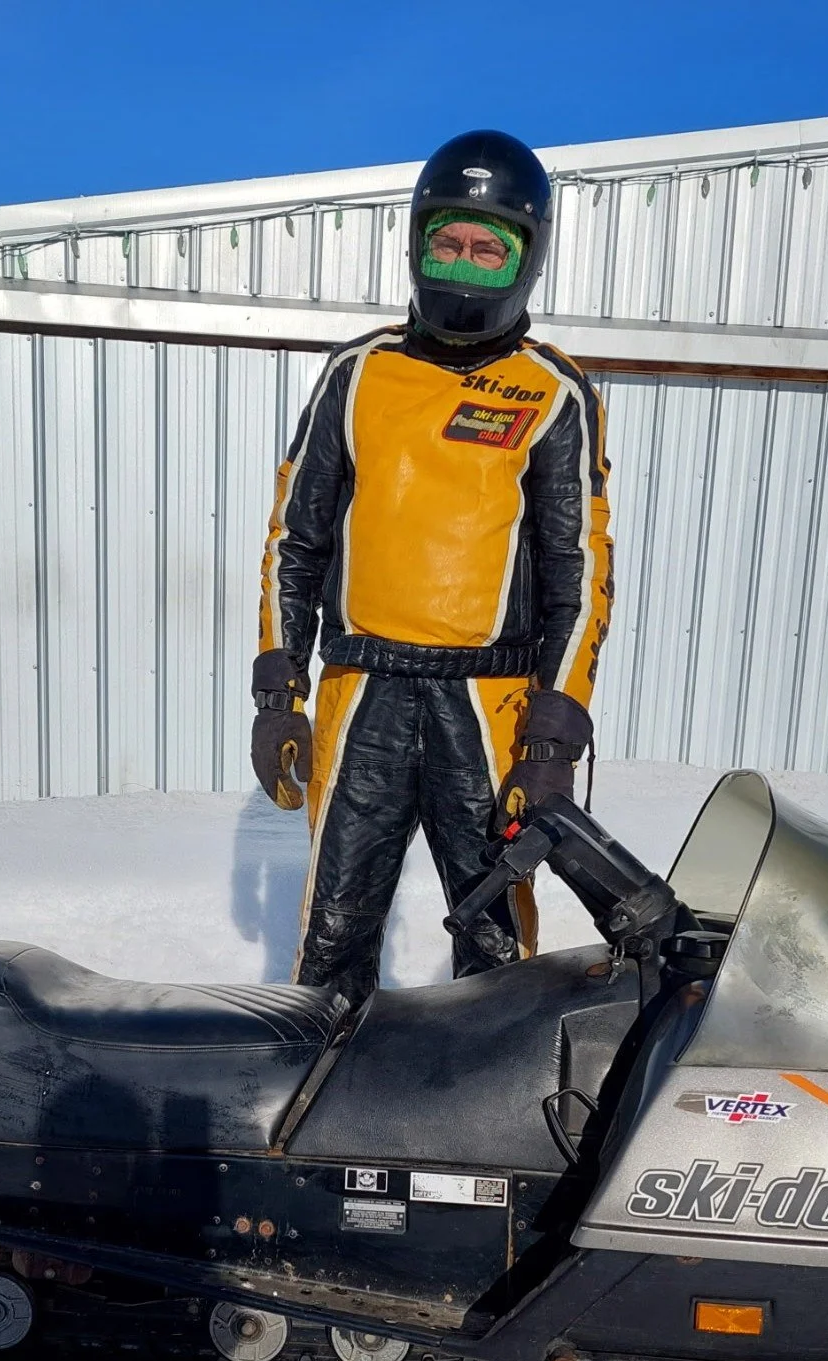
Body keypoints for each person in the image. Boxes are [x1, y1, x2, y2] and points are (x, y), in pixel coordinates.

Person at [250, 128, 614, 1005]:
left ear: (527, 258)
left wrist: (554, 739)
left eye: (490, 249)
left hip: (487, 707)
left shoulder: (552, 391)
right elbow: (296, 540)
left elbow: (578, 572)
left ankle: (488, 1090)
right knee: (333, 928)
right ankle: (320, 1084)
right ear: (417, 244)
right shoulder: (357, 373)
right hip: (362, 693)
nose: (464, 263)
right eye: (447, 241)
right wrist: (278, 692)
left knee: (494, 941)